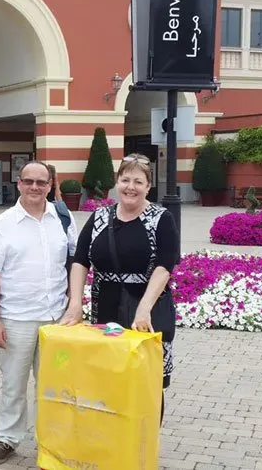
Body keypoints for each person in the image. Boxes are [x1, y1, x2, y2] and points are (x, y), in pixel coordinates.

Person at [0, 160, 80, 465]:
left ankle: (52, 440)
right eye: (29, 181)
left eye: (42, 182)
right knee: (14, 383)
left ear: (51, 185)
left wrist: (76, 302)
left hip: (57, 318)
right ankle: (9, 438)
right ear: (19, 183)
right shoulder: (3, 224)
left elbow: (76, 261)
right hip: (17, 318)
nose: (35, 187)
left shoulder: (63, 217)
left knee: (55, 385)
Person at [69, 153, 180, 424]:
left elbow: (165, 266)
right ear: (117, 182)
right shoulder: (99, 217)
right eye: (125, 179)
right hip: (106, 305)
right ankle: (111, 439)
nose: (131, 187)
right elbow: (80, 261)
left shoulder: (160, 218)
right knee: (108, 376)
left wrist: (144, 309)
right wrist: (75, 304)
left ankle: (142, 444)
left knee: (146, 379)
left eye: (138, 182)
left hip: (146, 310)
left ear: (148, 186)